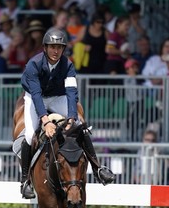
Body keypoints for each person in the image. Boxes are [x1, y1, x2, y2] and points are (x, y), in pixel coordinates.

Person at [18, 27, 115, 198]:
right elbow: (36, 95)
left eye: (59, 47)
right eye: (52, 47)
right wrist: (46, 121)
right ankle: (25, 181)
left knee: (80, 127)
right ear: (45, 48)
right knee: (29, 134)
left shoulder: (68, 65)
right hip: (35, 98)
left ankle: (98, 169)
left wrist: (71, 118)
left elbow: (71, 92)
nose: (56, 51)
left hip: (58, 96)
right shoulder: (33, 65)